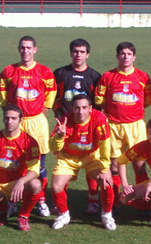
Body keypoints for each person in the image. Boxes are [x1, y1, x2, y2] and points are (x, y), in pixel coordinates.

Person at [0, 35, 57, 217]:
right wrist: (9, 110)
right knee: (14, 162)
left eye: (29, 48)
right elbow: (0, 91)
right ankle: (13, 201)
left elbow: (51, 92)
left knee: (40, 163)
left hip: (37, 122)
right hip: (17, 123)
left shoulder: (44, 71)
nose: (25, 51)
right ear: (18, 49)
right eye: (22, 47)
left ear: (35, 49)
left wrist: (45, 108)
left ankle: (41, 201)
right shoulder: (9, 70)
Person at [95, 41, 151, 213]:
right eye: (122, 54)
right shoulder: (107, 76)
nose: (125, 57)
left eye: (129, 54)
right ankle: (116, 200)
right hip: (114, 125)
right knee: (115, 163)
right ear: (117, 56)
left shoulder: (143, 77)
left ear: (134, 57)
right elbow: (99, 100)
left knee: (139, 164)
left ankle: (144, 201)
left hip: (135, 125)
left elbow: (148, 100)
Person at [49, 94, 116, 230]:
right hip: (68, 157)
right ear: (72, 109)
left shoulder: (99, 118)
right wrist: (59, 136)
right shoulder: (64, 120)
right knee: (56, 187)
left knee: (106, 182)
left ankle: (107, 215)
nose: (81, 112)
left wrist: (105, 168)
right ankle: (64, 215)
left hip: (92, 156)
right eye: (77, 108)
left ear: (90, 108)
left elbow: (105, 145)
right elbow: (53, 148)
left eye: (84, 107)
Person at [54, 38, 102, 215]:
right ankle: (60, 201)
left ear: (87, 54)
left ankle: (93, 200)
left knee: (92, 165)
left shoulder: (95, 76)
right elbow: (54, 98)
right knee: (63, 164)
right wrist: (58, 119)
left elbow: (97, 105)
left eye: (82, 51)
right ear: (71, 52)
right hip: (66, 128)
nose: (78, 55)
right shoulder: (59, 73)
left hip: (88, 128)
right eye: (75, 51)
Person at [0, 105, 42, 231]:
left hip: (19, 184)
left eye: (13, 118)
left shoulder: (29, 142)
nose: (9, 121)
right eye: (7, 118)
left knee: (36, 185)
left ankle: (23, 216)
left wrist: (22, 181)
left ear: (20, 120)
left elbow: (34, 170)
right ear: (3, 119)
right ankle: (3, 208)